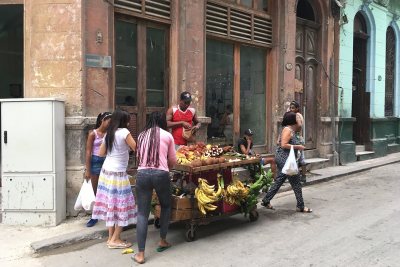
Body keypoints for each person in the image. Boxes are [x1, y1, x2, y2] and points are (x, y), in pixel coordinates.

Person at [133, 111, 176, 264]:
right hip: (161, 174)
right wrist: (166, 169)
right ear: (162, 121)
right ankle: (163, 240)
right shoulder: (167, 135)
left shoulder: (141, 135)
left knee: (142, 214)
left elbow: (138, 157)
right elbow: (173, 160)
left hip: (142, 174)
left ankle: (140, 254)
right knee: (166, 206)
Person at [92, 110, 137, 249]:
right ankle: (115, 239)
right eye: (128, 120)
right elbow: (136, 148)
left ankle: (111, 238)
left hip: (106, 173)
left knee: (111, 204)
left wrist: (118, 150)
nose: (129, 122)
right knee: (122, 204)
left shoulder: (109, 133)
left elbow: (101, 153)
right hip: (117, 173)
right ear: (124, 121)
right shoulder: (124, 132)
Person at [261, 112, 312, 213]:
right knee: (296, 182)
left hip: (284, 158)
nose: (298, 120)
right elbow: (283, 145)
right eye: (296, 118)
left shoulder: (291, 130)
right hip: (285, 159)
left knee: (279, 180)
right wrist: (298, 147)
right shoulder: (287, 130)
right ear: (292, 120)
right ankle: (300, 206)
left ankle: (266, 200)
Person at [84, 112, 112, 227]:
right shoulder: (93, 134)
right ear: (103, 120)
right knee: (96, 190)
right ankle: (94, 216)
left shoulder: (110, 134)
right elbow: (88, 152)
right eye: (109, 122)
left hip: (106, 161)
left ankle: (107, 213)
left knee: (107, 189)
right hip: (95, 162)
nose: (110, 124)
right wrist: (87, 169)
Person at [289, 100, 307, 183]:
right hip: (299, 138)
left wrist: (295, 131)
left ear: (297, 108)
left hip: (297, 139)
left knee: (297, 158)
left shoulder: (297, 115)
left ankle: (299, 177)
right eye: (290, 107)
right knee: (300, 158)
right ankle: (303, 176)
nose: (291, 109)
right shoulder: (297, 115)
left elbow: (299, 125)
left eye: (293, 108)